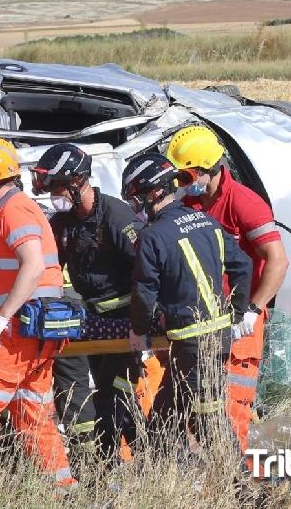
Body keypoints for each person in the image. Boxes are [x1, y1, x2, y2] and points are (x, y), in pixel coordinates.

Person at [0, 137, 77, 492]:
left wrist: (2, 316)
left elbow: (33, 265)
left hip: (22, 327)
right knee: (32, 409)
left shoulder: (13, 211)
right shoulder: (9, 209)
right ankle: (61, 487)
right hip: (36, 326)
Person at [165, 125, 289, 451]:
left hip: (239, 319)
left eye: (186, 175)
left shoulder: (245, 204)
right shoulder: (190, 204)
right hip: (202, 318)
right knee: (196, 400)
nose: (180, 183)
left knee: (232, 402)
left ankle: (234, 479)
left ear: (208, 169)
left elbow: (278, 261)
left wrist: (253, 309)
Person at [121, 153, 252, 452]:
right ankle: (170, 479)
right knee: (165, 417)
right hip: (216, 337)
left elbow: (144, 291)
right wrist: (237, 312)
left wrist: (139, 332)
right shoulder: (208, 223)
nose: (136, 208)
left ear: (154, 193)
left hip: (193, 342)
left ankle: (242, 491)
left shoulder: (152, 237)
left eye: (137, 199)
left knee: (209, 422)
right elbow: (242, 266)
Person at [31, 143, 144, 461]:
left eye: (56, 186)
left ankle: (145, 457)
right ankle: (112, 464)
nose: (53, 194)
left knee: (116, 394)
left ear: (77, 182)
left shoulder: (116, 216)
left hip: (124, 323)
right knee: (107, 394)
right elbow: (49, 265)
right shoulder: (64, 222)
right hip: (92, 323)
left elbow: (146, 269)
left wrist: (143, 320)